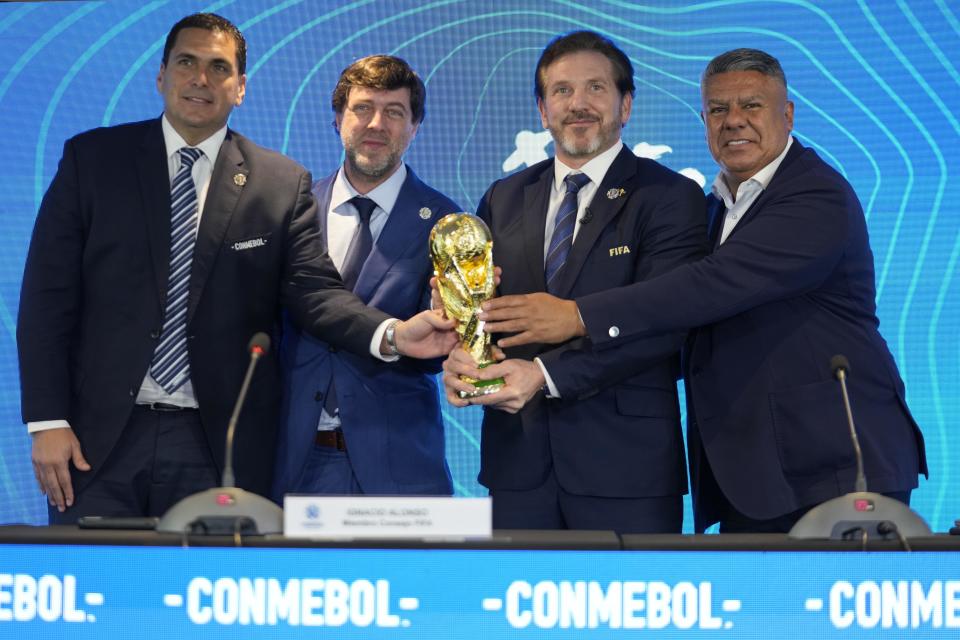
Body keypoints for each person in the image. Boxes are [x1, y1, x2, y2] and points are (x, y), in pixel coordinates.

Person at [17, 14, 455, 523]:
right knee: (92, 588)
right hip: (95, 440)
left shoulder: (278, 182)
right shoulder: (92, 160)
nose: (201, 79)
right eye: (187, 62)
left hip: (216, 446)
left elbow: (314, 292)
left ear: (241, 87)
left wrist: (394, 335)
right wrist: (47, 420)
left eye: (219, 68)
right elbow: (48, 299)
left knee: (204, 592)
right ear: (161, 76)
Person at [473, 48, 927, 533]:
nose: (734, 122)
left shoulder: (815, 195)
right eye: (718, 110)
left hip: (832, 459)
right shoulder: (715, 209)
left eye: (751, 106)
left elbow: (707, 287)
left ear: (788, 113)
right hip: (754, 470)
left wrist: (575, 315)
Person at [442, 31, 706, 533]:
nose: (578, 104)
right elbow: (484, 316)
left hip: (626, 472)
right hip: (517, 467)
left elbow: (667, 327)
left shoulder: (670, 197)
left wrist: (544, 374)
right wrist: (461, 352)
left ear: (625, 105)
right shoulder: (504, 196)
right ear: (542, 111)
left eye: (596, 89)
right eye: (562, 91)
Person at [272, 56, 458, 499]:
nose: (376, 124)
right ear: (338, 119)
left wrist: (448, 322)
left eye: (394, 112)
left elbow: (435, 354)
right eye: (362, 108)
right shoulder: (288, 209)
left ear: (415, 127)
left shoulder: (447, 223)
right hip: (289, 461)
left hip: (399, 468)